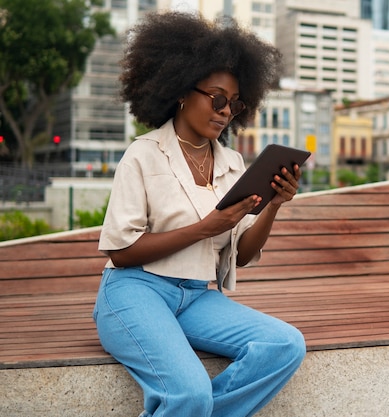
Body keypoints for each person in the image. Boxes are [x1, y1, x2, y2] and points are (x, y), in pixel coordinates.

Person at [92, 11, 306, 417]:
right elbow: (121, 253)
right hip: (134, 293)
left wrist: (273, 206)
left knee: (284, 344)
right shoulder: (143, 154)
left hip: (195, 297)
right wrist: (205, 228)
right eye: (217, 98)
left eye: (235, 103)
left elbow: (241, 254)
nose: (226, 111)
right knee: (189, 393)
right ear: (180, 92)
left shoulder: (231, 163)